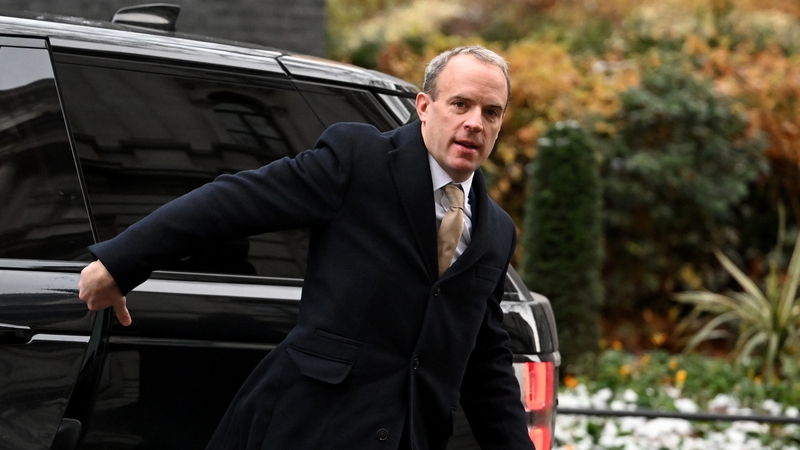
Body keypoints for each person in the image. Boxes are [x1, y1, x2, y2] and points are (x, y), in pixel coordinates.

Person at [78, 45, 535, 450]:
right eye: (460, 104)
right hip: (307, 426)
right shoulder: (359, 160)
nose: (474, 122)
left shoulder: (496, 231)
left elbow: (485, 362)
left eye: (491, 112)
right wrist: (122, 262)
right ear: (424, 106)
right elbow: (237, 200)